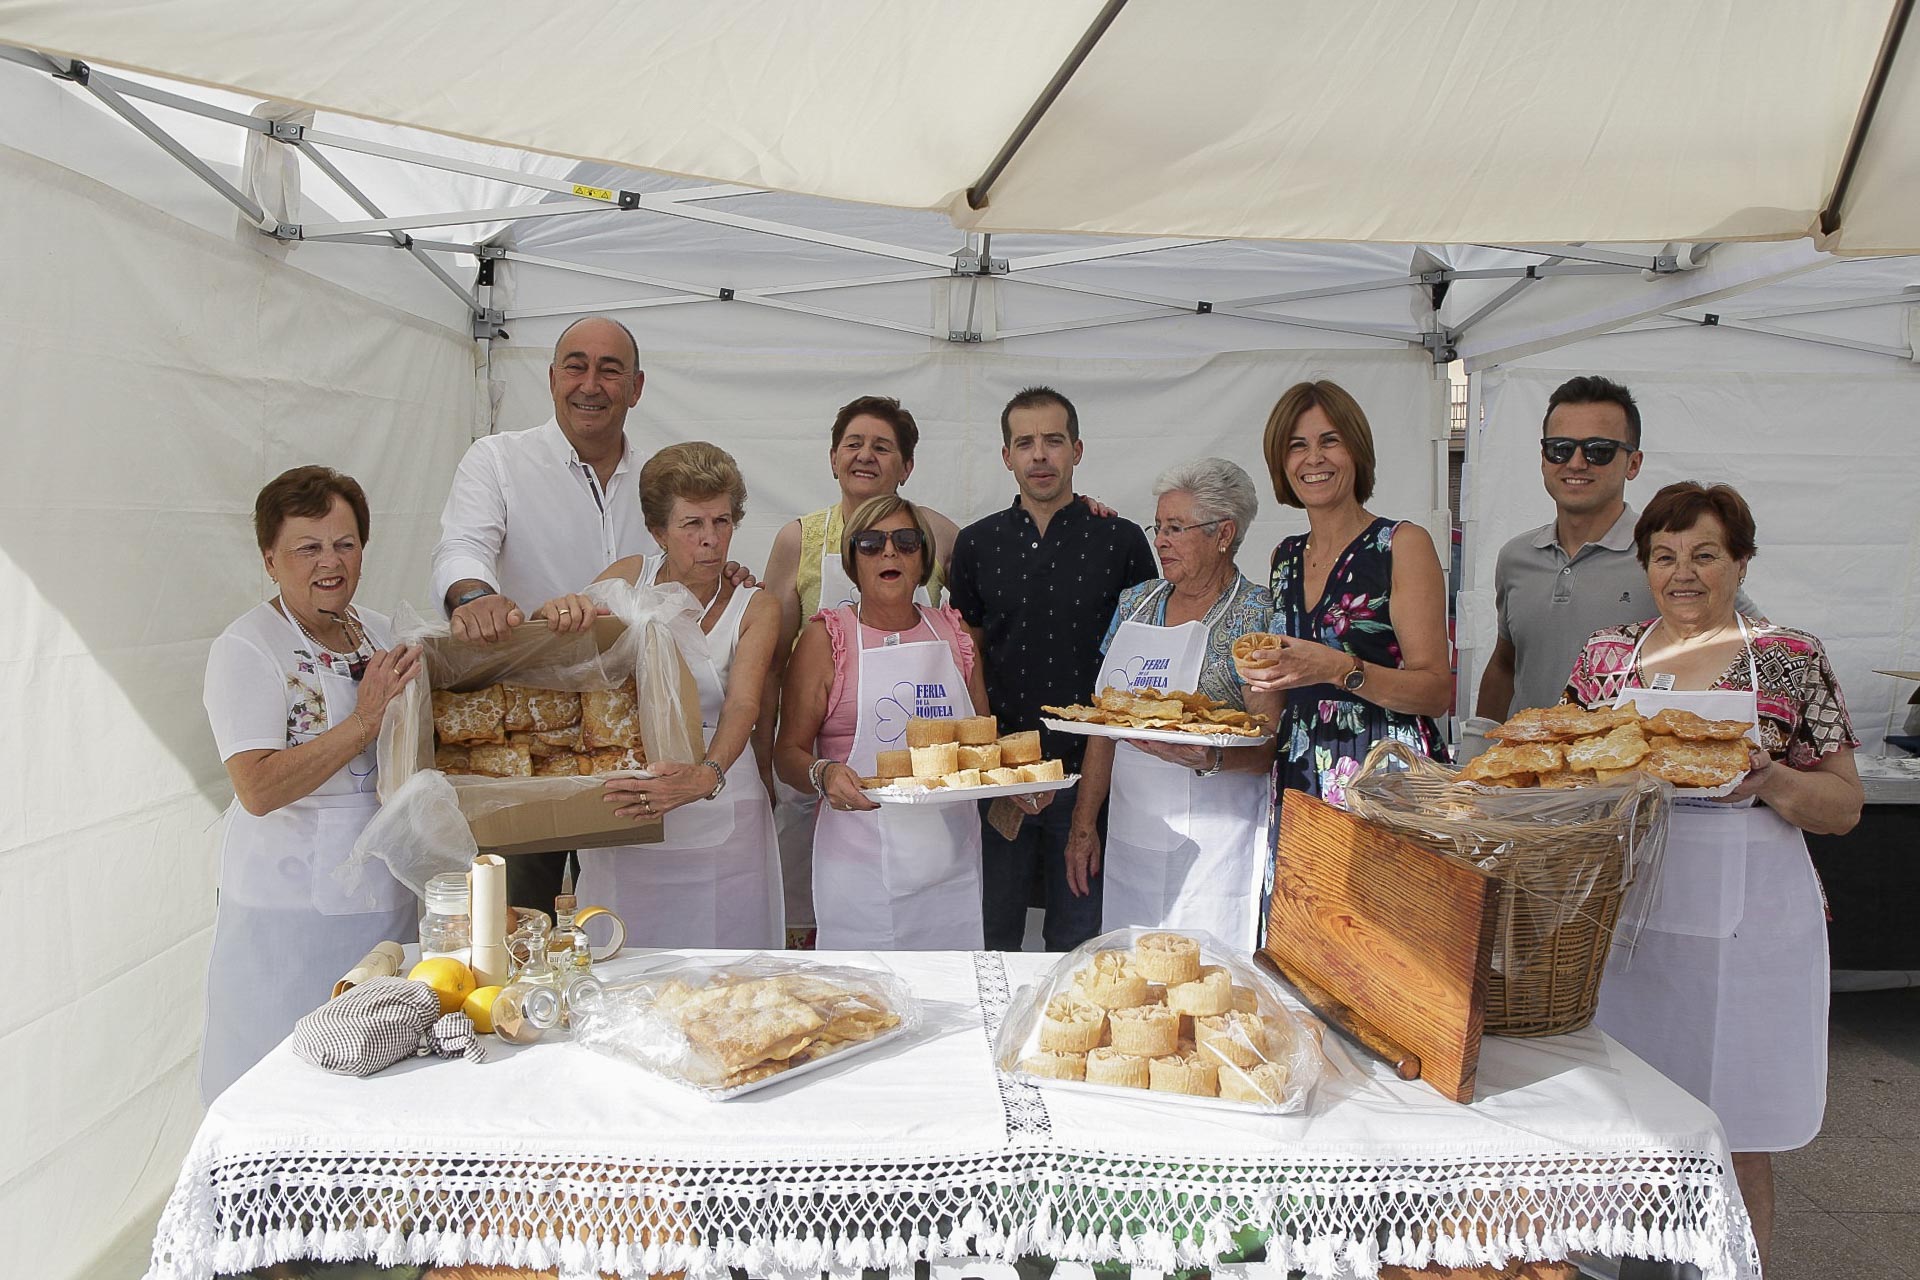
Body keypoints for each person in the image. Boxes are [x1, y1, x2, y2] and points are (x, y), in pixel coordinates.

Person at [1562, 482, 1862, 1272]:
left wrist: (1769, 781)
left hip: (1749, 933)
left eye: (1704, 555)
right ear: (1644, 564)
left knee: (1737, 1135)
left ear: (1742, 562)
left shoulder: (1790, 659)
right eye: (1664, 556)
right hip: (1627, 926)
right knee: (1616, 1123)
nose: (1683, 573)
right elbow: (1559, 768)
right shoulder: (1606, 657)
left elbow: (1844, 805)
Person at [430, 315, 748, 910]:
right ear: (551, 378)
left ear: (637, 386)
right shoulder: (497, 460)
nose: (591, 384)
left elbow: (693, 558)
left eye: (610, 369)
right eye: (575, 366)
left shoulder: (665, 477)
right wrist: (473, 597)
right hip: (530, 734)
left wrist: (723, 573)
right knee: (518, 917)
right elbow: (462, 546)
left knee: (630, 920)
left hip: (636, 733)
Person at [200, 466, 421, 1101]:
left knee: (377, 1075)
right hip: (287, 918)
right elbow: (258, 789)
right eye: (308, 547)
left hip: (383, 904)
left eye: (345, 544)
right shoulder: (247, 648)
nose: (330, 562)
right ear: (270, 559)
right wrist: (366, 720)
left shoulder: (381, 632)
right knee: (286, 1087)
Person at [541, 443, 783, 948]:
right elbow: (560, 655)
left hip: (724, 815)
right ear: (658, 532)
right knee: (623, 966)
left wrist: (705, 776)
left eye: (722, 521)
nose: (710, 540)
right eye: (691, 524)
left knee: (728, 984)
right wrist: (558, 612)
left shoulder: (755, 604)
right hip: (631, 814)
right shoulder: (628, 578)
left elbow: (743, 704)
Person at [949, 387, 1158, 952]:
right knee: (992, 938)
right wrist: (992, 765)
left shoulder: (1121, 540)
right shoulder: (976, 544)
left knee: (1080, 943)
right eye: (1025, 443)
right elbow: (965, 661)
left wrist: (1090, 798)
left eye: (1053, 441)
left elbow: (1141, 667)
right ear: (1006, 456)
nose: (1039, 455)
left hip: (1090, 780)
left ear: (1078, 450)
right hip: (1002, 781)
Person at [761, 395, 961, 948]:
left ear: (907, 465)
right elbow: (773, 659)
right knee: (816, 910)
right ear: (831, 458)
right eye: (853, 444)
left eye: (882, 447)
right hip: (819, 761)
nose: (865, 456)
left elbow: (959, 648)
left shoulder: (942, 535)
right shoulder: (796, 538)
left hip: (920, 774)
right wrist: (771, 762)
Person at [1065, 459, 1279, 950]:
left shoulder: (1258, 615)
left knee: (1206, 973)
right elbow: (1104, 723)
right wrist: (1083, 825)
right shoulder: (1135, 604)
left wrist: (1212, 757)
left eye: (1176, 529)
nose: (1159, 541)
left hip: (1216, 841)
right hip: (1132, 830)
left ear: (1224, 534)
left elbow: (1267, 744)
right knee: (1132, 969)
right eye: (1158, 527)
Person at [775, 496, 998, 949]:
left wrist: (1021, 789)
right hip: (859, 870)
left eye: (906, 541)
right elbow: (787, 755)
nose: (889, 552)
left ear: (924, 559)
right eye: (871, 543)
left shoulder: (952, 633)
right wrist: (824, 772)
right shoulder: (826, 639)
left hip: (951, 864)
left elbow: (985, 742)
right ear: (853, 562)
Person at [1477, 375, 1758, 722]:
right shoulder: (1515, 558)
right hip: (1529, 770)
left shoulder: (1667, 560)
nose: (1576, 463)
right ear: (1543, 457)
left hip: (1629, 769)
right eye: (1560, 448)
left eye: (1599, 451)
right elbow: (1506, 665)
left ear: (1634, 463)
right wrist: (1480, 747)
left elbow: (1753, 649)